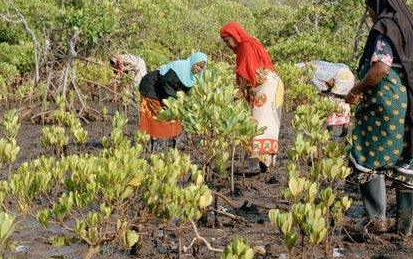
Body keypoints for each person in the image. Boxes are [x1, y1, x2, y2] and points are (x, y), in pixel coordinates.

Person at [347, 0, 413, 236]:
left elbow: (381, 68)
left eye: (369, 8)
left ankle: (377, 220)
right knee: (408, 163)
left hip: (388, 106)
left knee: (369, 155)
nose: (370, 13)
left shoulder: (385, 27)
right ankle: (404, 228)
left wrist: (357, 89)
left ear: (377, 4)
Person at [220, 22, 284, 176]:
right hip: (269, 86)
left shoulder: (246, 46)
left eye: (227, 41)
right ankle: (263, 164)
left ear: (235, 36)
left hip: (267, 88)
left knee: (256, 123)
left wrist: (235, 95)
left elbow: (247, 73)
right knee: (264, 123)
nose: (227, 45)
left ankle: (255, 166)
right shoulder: (248, 44)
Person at [138, 51, 207, 146]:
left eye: (201, 67)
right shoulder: (180, 68)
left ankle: (167, 142)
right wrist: (171, 103)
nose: (199, 69)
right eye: (197, 65)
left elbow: (183, 93)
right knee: (157, 113)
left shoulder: (190, 77)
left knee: (174, 114)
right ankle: (156, 143)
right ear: (193, 62)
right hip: (152, 86)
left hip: (164, 90)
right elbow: (165, 82)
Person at [296, 60, 355, 137]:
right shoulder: (317, 67)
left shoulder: (315, 71)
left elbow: (329, 81)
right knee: (343, 104)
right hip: (347, 77)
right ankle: (344, 129)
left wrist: (329, 92)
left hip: (342, 79)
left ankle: (330, 130)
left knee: (332, 104)